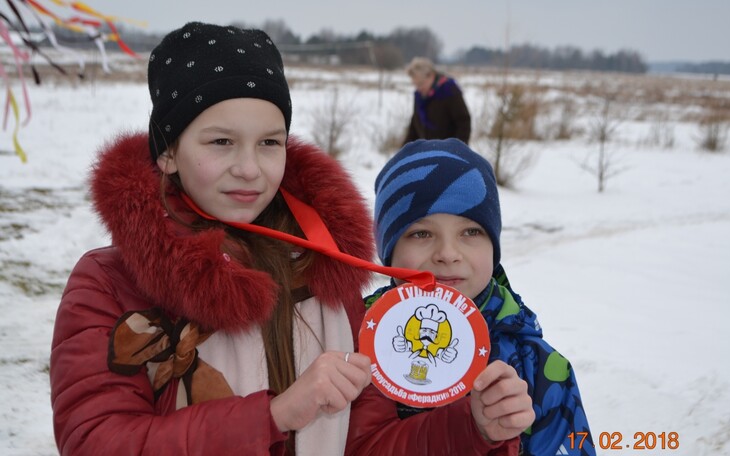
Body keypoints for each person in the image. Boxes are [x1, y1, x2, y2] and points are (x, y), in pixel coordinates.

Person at [49, 22, 532, 455]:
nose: (249, 168)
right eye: (221, 141)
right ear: (169, 151)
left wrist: (473, 429)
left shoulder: (323, 269)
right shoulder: (111, 283)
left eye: (269, 142)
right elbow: (96, 440)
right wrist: (274, 416)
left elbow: (367, 442)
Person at [367, 138, 596, 455]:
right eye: (421, 233)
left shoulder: (539, 369)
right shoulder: (352, 342)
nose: (448, 254)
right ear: (388, 252)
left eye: (470, 232)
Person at [403, 57, 472, 145]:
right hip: (426, 151)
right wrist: (404, 151)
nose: (418, 88)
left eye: (421, 84)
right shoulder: (419, 95)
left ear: (431, 75)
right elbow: (414, 127)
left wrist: (458, 150)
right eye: (416, 85)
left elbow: (463, 122)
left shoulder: (450, 90)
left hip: (447, 152)